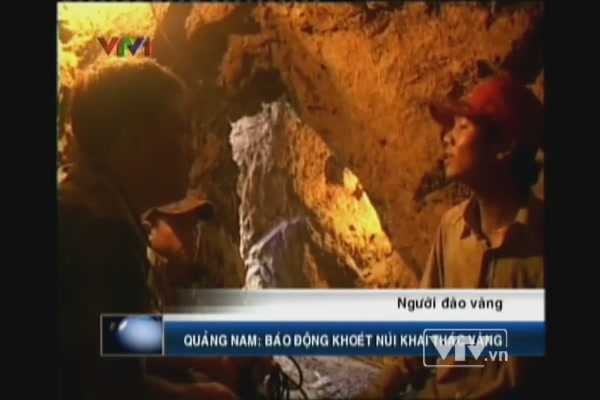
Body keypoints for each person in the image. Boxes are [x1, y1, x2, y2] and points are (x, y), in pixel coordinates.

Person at [58, 57, 239, 400]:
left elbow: (109, 335)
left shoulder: (87, 201)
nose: (191, 148)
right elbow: (110, 388)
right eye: (178, 130)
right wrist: (208, 394)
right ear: (132, 141)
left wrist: (198, 350)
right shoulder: (100, 231)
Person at [361, 73, 545, 399]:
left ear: (504, 145)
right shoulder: (452, 228)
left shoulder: (540, 243)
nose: (447, 138)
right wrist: (378, 391)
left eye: (462, 127)